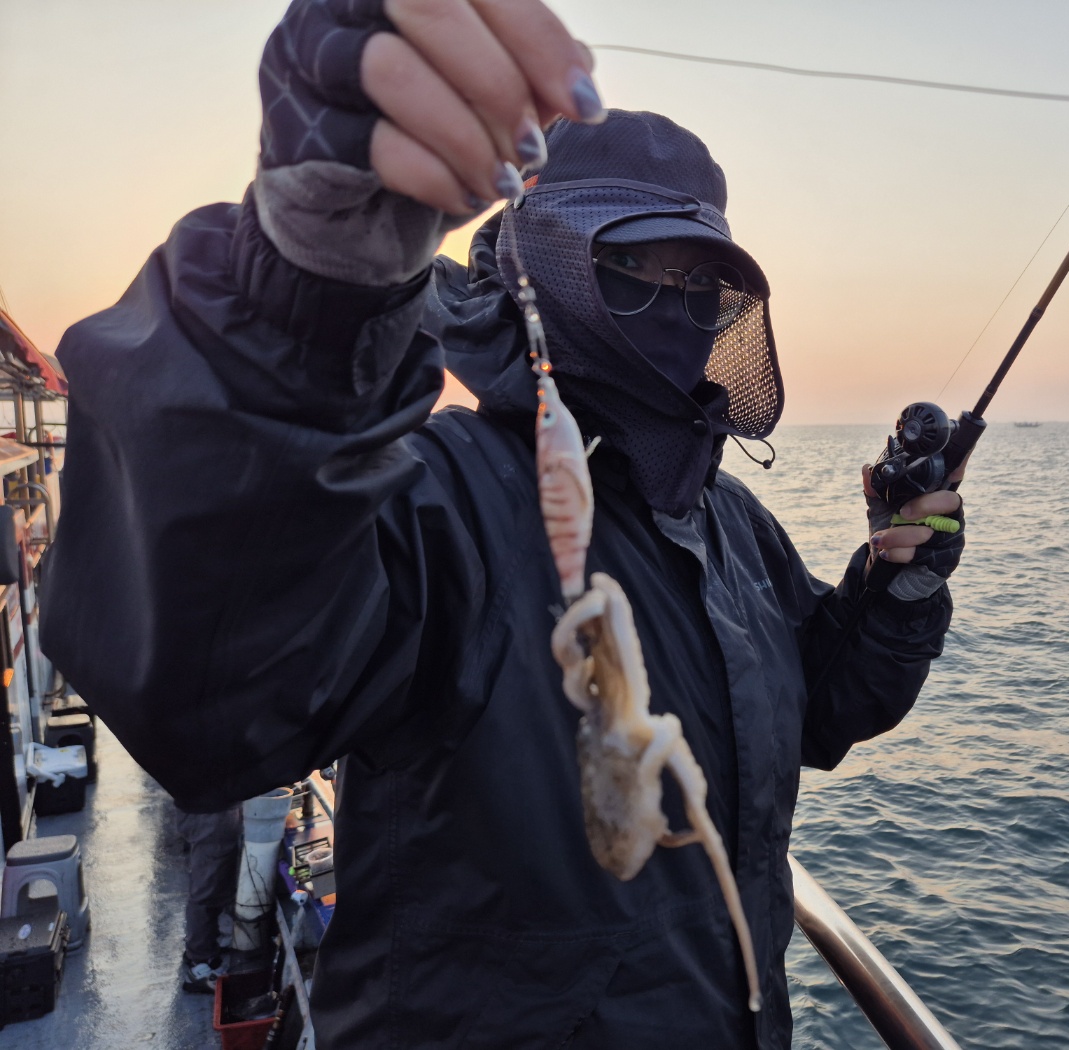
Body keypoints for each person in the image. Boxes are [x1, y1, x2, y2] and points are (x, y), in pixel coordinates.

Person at [40, 1, 967, 1047]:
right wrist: (303, 299)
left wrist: (895, 584)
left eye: (702, 284)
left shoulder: (734, 527)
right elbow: (218, 687)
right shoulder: (439, 496)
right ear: (548, 269)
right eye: (637, 268)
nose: (679, 304)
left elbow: (817, 715)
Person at [172, 802, 241, 993]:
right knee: (207, 889)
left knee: (216, 882)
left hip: (210, 807)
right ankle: (200, 964)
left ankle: (203, 948)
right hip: (210, 811)